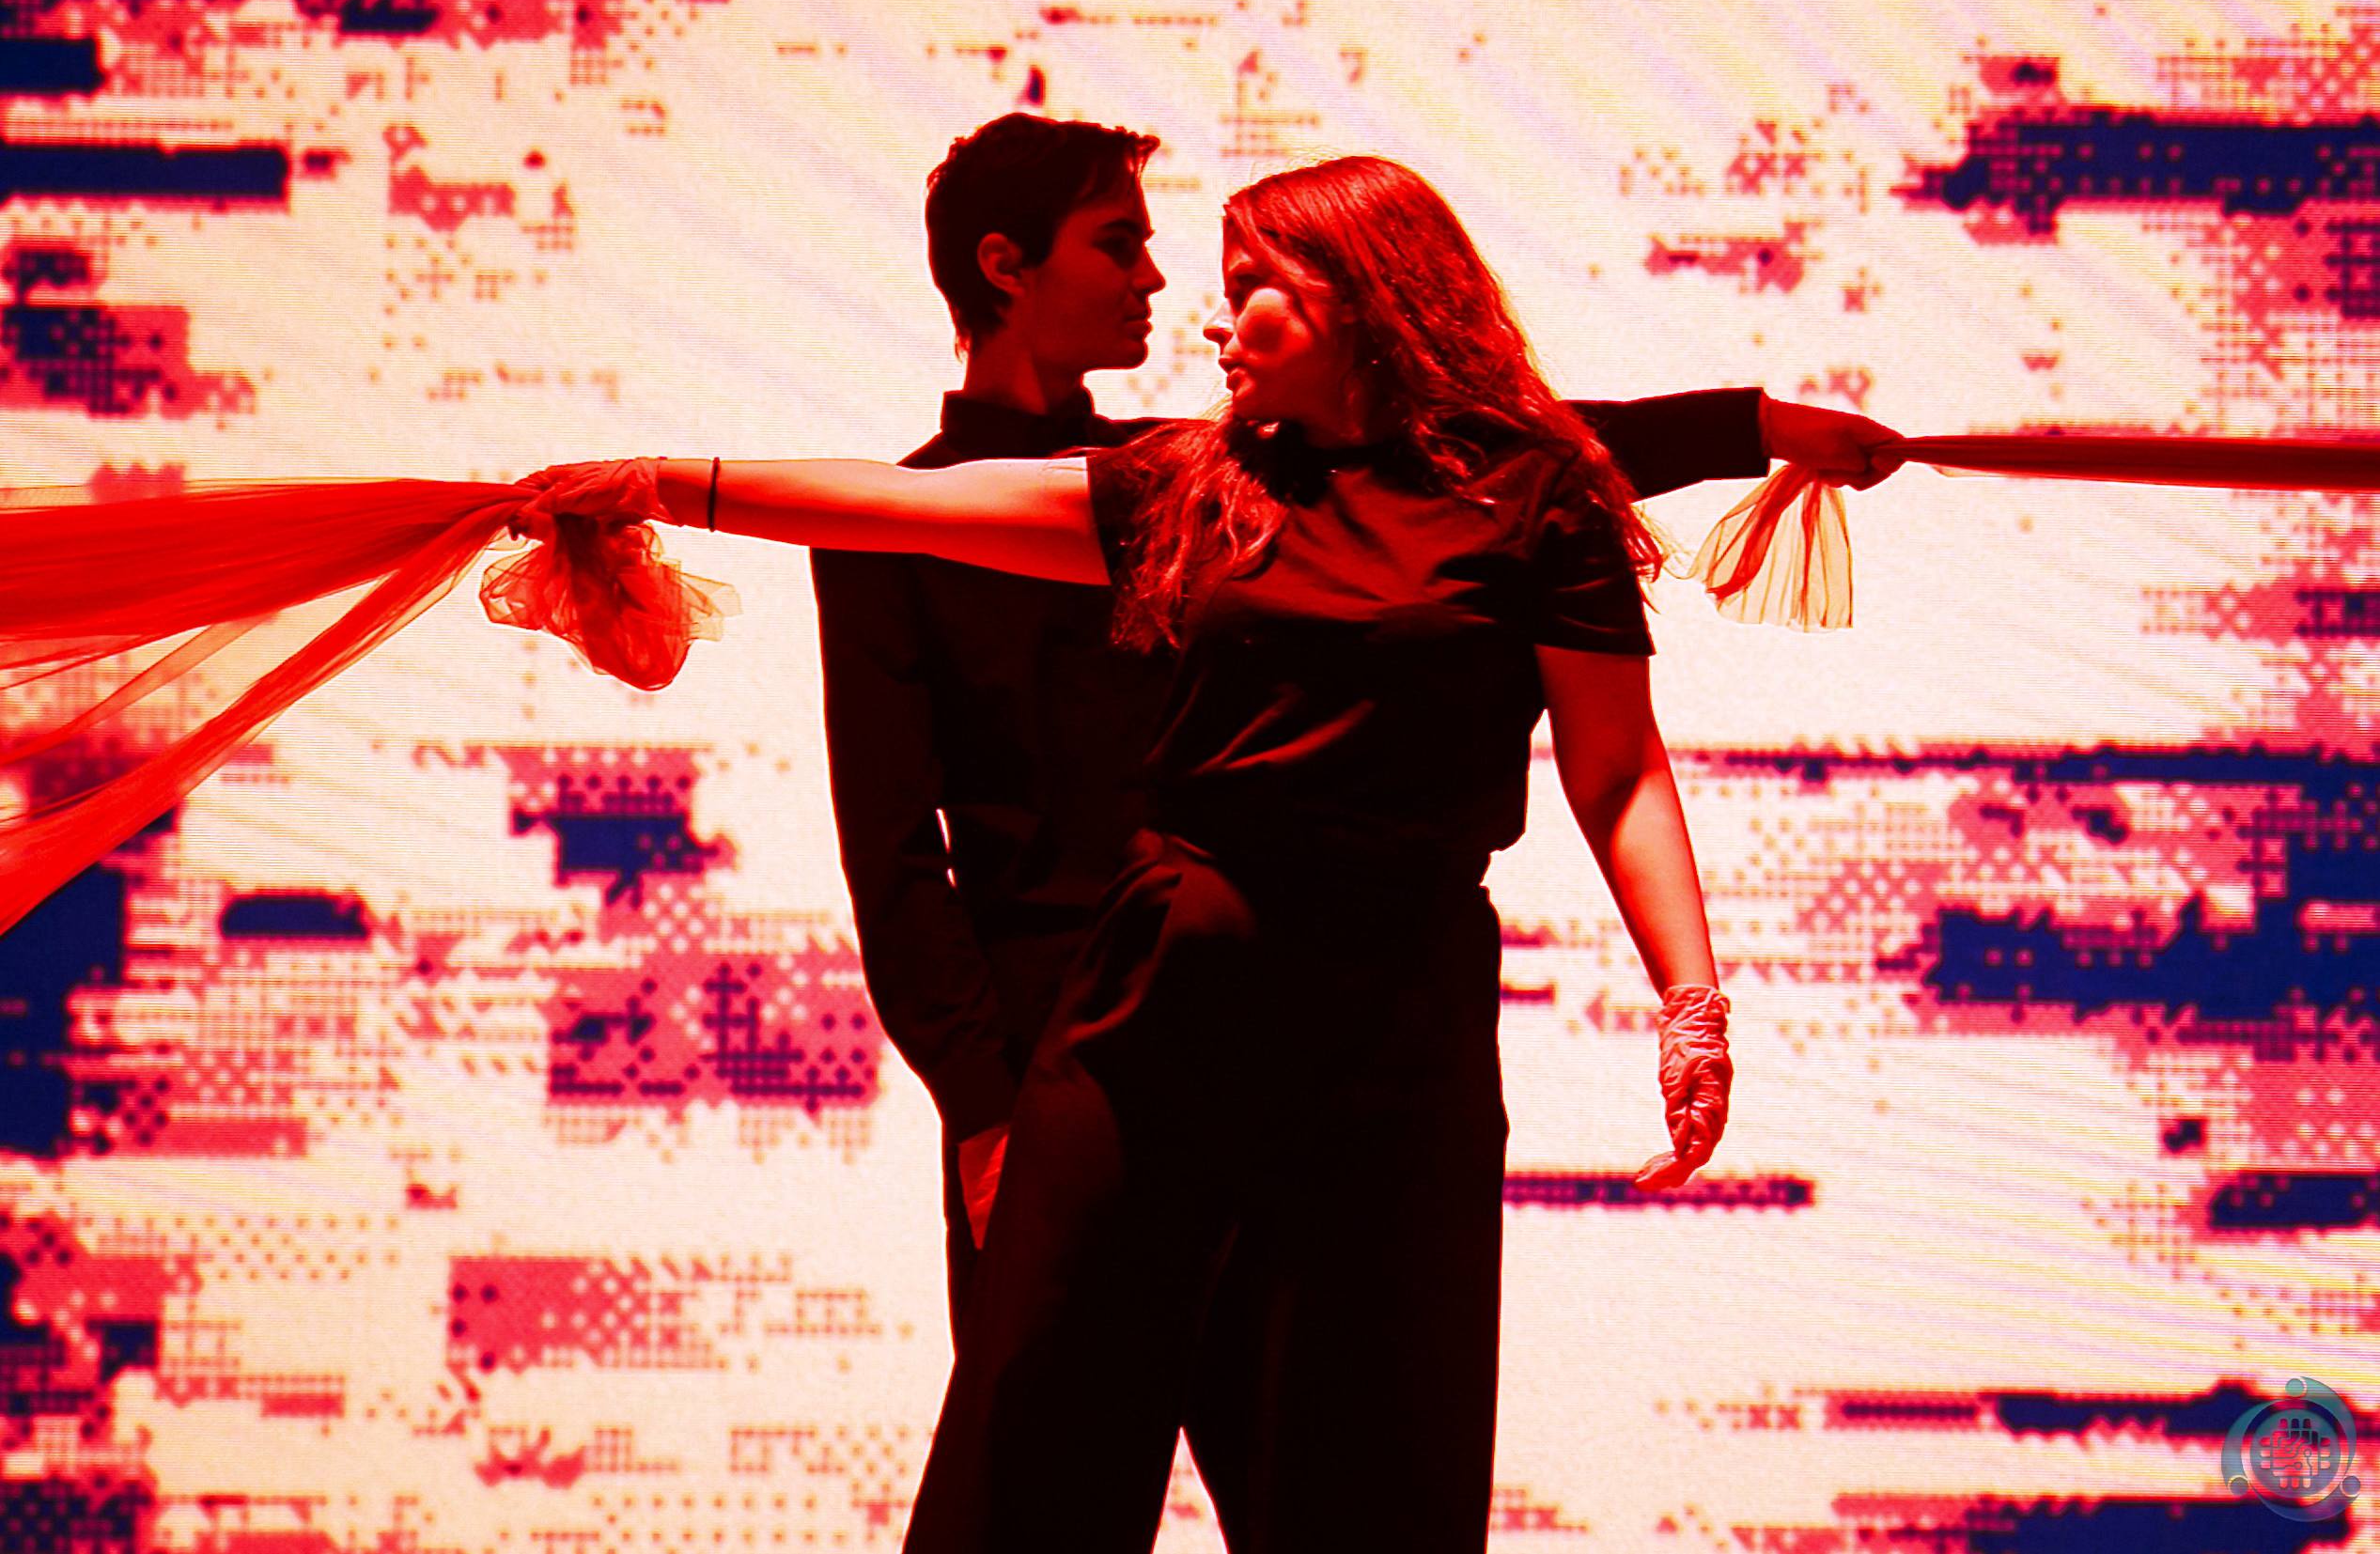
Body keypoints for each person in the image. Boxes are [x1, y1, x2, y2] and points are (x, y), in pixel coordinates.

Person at [520, 152, 1901, 1551]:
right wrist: (655, 482)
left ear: (1361, 299)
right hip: (1166, 986)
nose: (1213, 318)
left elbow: (1617, 770)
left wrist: (1691, 1002)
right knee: (1038, 1428)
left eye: (1253, 290)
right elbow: (900, 506)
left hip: (1397, 1014)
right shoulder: (1195, 482)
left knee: (1373, 1464)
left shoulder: (1535, 495)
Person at [812, 113, 1895, 1387]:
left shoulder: (1209, 471)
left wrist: (1756, 425)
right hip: (1057, 1045)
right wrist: (983, 1103)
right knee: (1050, 1454)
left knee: (1308, 1435)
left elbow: (1494, 459)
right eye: (1118, 243)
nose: (1158, 280)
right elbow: (894, 853)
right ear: (1005, 264)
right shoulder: (898, 526)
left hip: (1256, 1009)